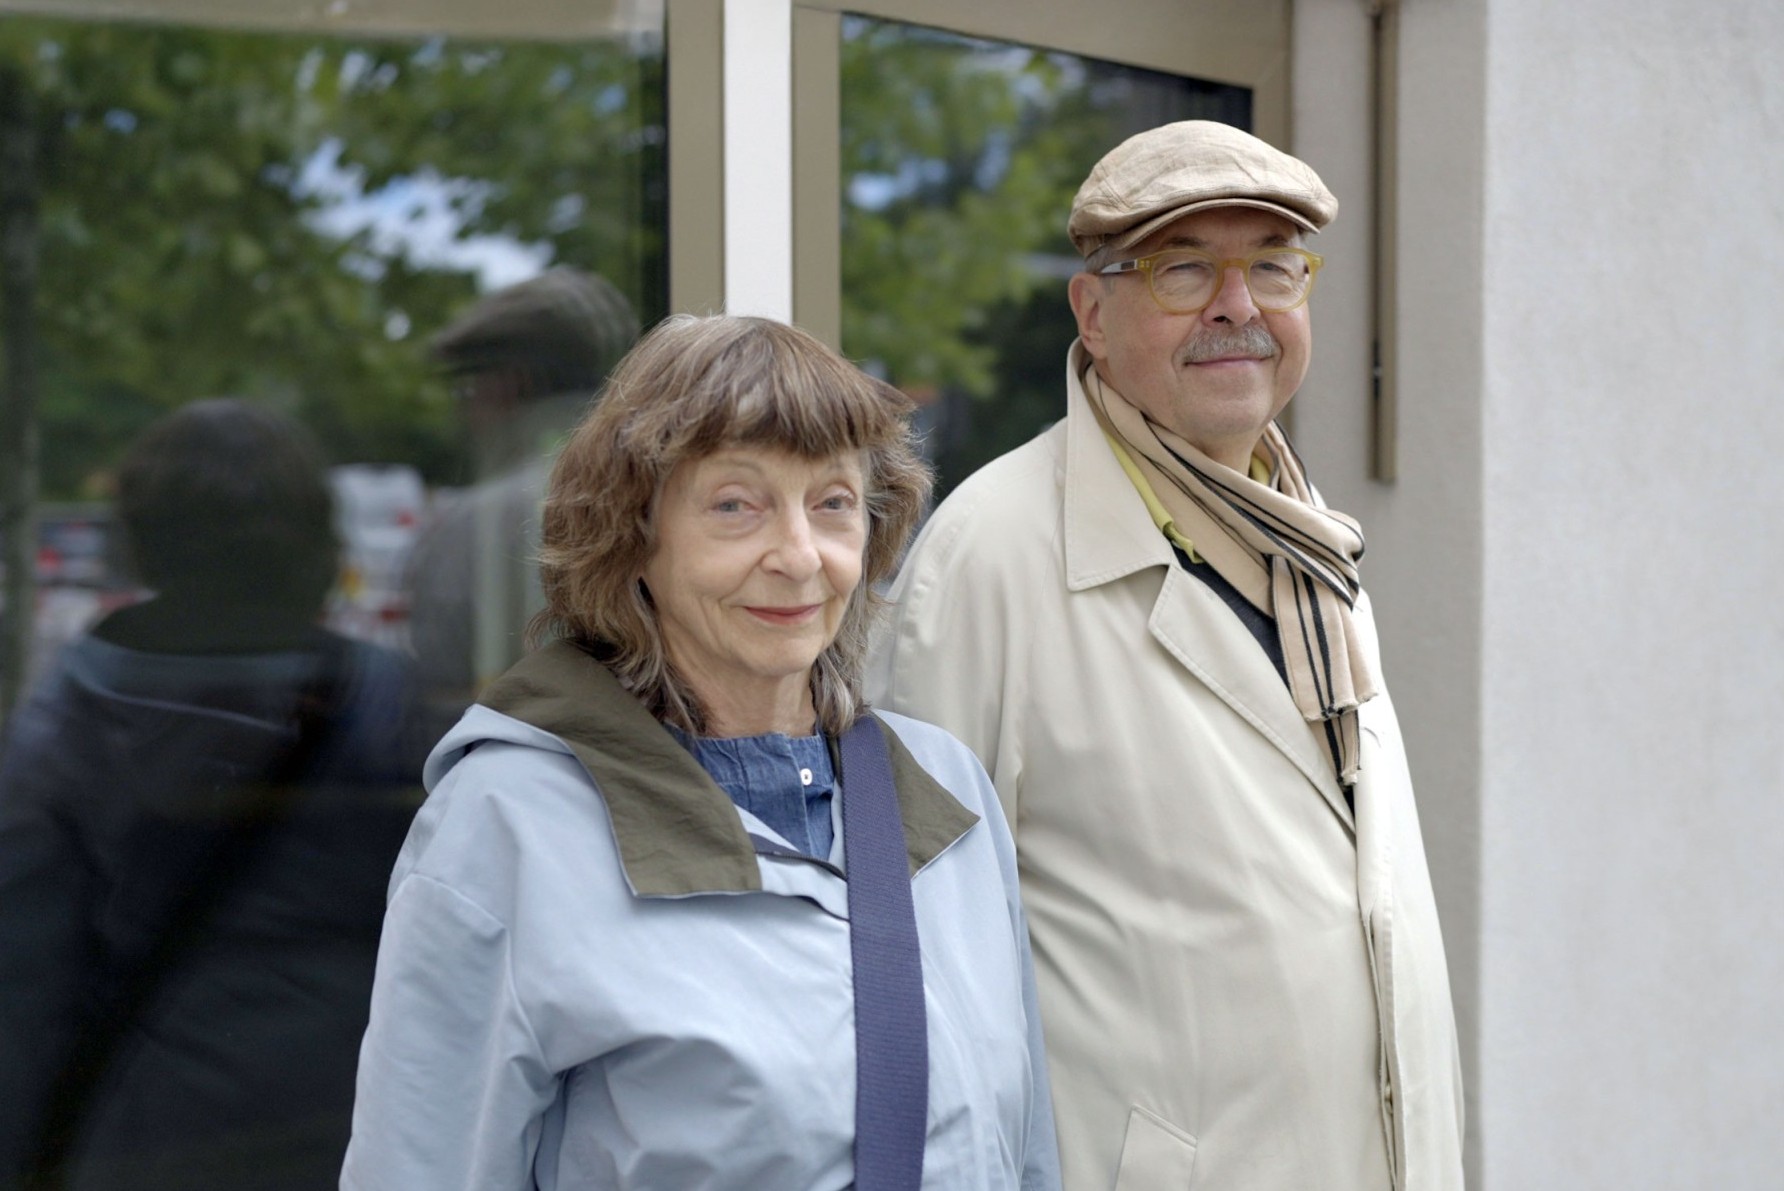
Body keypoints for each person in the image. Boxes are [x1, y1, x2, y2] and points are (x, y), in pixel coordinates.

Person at [868, 120, 1465, 1190]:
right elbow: (914, 962)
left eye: (1272, 266)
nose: (1238, 306)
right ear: (1092, 313)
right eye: (1184, 269)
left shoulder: (1307, 547)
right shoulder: (988, 557)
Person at [343, 314, 1060, 1190]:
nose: (799, 556)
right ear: (634, 532)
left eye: (832, 503)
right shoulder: (507, 826)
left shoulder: (947, 793)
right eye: (735, 505)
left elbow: (1026, 1155)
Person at [0, 400, 425, 1191]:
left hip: (144, 1141)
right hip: (352, 1131)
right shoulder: (395, 707)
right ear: (315, 546)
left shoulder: (69, 718)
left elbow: (22, 980)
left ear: (141, 544)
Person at [405, 267, 640, 728]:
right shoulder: (656, 493)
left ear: (511, 382)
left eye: (466, 385)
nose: (462, 408)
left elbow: (440, 694)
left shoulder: (478, 521)